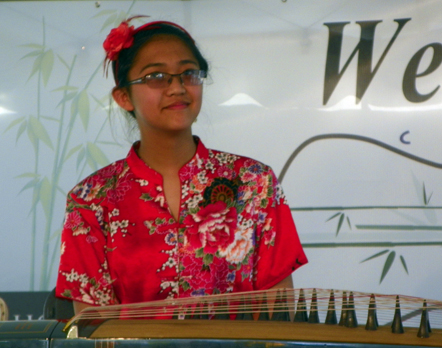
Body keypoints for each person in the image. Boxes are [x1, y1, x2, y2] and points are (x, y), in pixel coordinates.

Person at [55, 18, 308, 315]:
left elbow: (278, 313)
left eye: (188, 73)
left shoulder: (253, 183)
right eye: (157, 76)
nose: (177, 87)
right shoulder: (91, 199)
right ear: (124, 97)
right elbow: (92, 327)